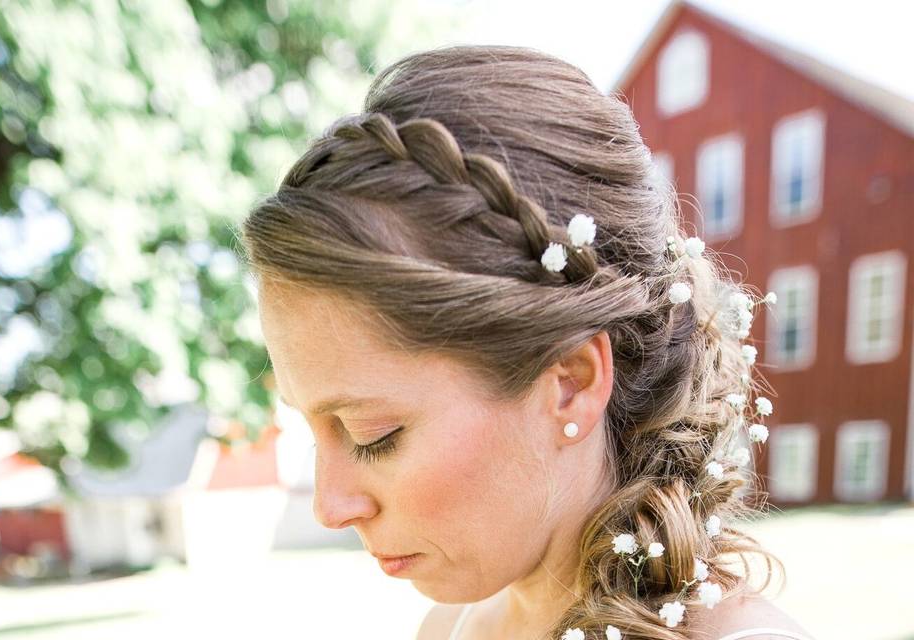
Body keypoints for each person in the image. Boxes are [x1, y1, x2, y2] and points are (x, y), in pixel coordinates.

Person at [241, 45, 814, 640]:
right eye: (313, 435)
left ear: (571, 382)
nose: (330, 508)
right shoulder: (444, 631)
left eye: (373, 436)